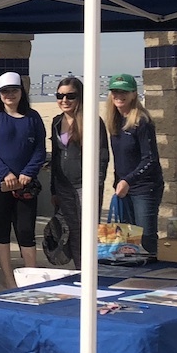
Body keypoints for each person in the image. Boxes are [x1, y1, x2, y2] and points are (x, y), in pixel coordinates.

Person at [0, 71, 47, 288]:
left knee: (26, 230)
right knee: (2, 229)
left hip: (26, 184)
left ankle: (31, 276)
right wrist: (5, 173)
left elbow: (40, 149)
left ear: (21, 91)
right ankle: (8, 277)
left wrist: (28, 172)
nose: (9, 95)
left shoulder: (33, 117)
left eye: (14, 90)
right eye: (5, 91)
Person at [50, 77, 109, 268]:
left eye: (70, 96)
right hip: (63, 186)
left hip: (85, 185)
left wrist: (96, 185)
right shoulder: (56, 121)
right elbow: (55, 157)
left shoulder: (92, 121)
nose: (64, 100)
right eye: (60, 95)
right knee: (72, 230)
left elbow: (102, 155)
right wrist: (53, 190)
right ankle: (80, 269)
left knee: (88, 230)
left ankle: (91, 270)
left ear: (80, 97)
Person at [105, 73, 164, 257]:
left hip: (145, 187)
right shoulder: (115, 121)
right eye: (115, 91)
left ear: (133, 94)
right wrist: (118, 182)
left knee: (145, 236)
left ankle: (152, 269)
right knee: (127, 237)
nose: (119, 95)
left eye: (124, 92)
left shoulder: (142, 121)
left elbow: (150, 159)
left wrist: (128, 180)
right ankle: (130, 269)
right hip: (123, 188)